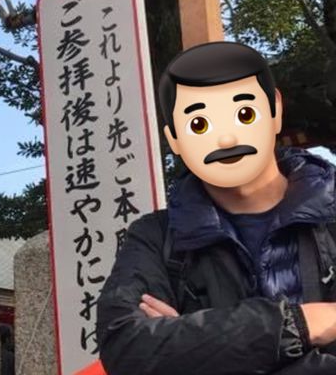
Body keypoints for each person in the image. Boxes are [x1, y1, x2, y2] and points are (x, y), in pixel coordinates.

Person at [96, 41, 336, 374]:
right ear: (175, 139)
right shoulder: (156, 237)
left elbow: (161, 356)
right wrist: (304, 322)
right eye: (199, 124)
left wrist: (198, 347)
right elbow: (126, 346)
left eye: (244, 114)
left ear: (275, 110)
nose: (225, 139)